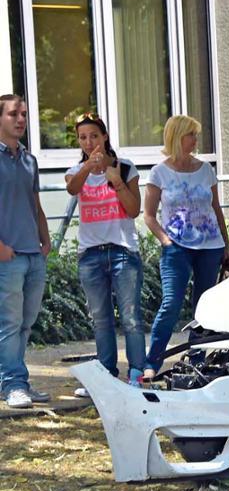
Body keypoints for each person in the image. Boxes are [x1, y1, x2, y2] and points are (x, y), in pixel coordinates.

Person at [143, 115, 229, 380]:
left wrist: (226, 246)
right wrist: (165, 240)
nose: (195, 140)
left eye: (195, 134)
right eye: (190, 134)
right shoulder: (159, 172)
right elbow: (148, 215)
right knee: (171, 303)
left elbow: (216, 209)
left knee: (203, 307)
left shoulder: (206, 170)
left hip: (210, 246)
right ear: (176, 136)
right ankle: (152, 363)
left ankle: (197, 361)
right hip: (176, 247)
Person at [65, 113, 145, 397]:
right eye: (83, 137)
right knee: (100, 319)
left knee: (131, 317)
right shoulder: (77, 170)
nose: (89, 142)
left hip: (123, 251)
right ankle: (106, 375)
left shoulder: (126, 168)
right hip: (90, 255)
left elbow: (134, 210)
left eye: (94, 136)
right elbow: (72, 188)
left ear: (105, 137)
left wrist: (117, 181)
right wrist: (89, 167)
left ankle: (137, 374)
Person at [0, 94, 51, 409]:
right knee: (8, 323)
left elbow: (36, 206)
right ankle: (13, 384)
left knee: (25, 323)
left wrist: (45, 243)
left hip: (34, 255)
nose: (20, 120)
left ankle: (16, 380)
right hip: (8, 257)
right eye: (13, 114)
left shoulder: (30, 160)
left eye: (24, 115)